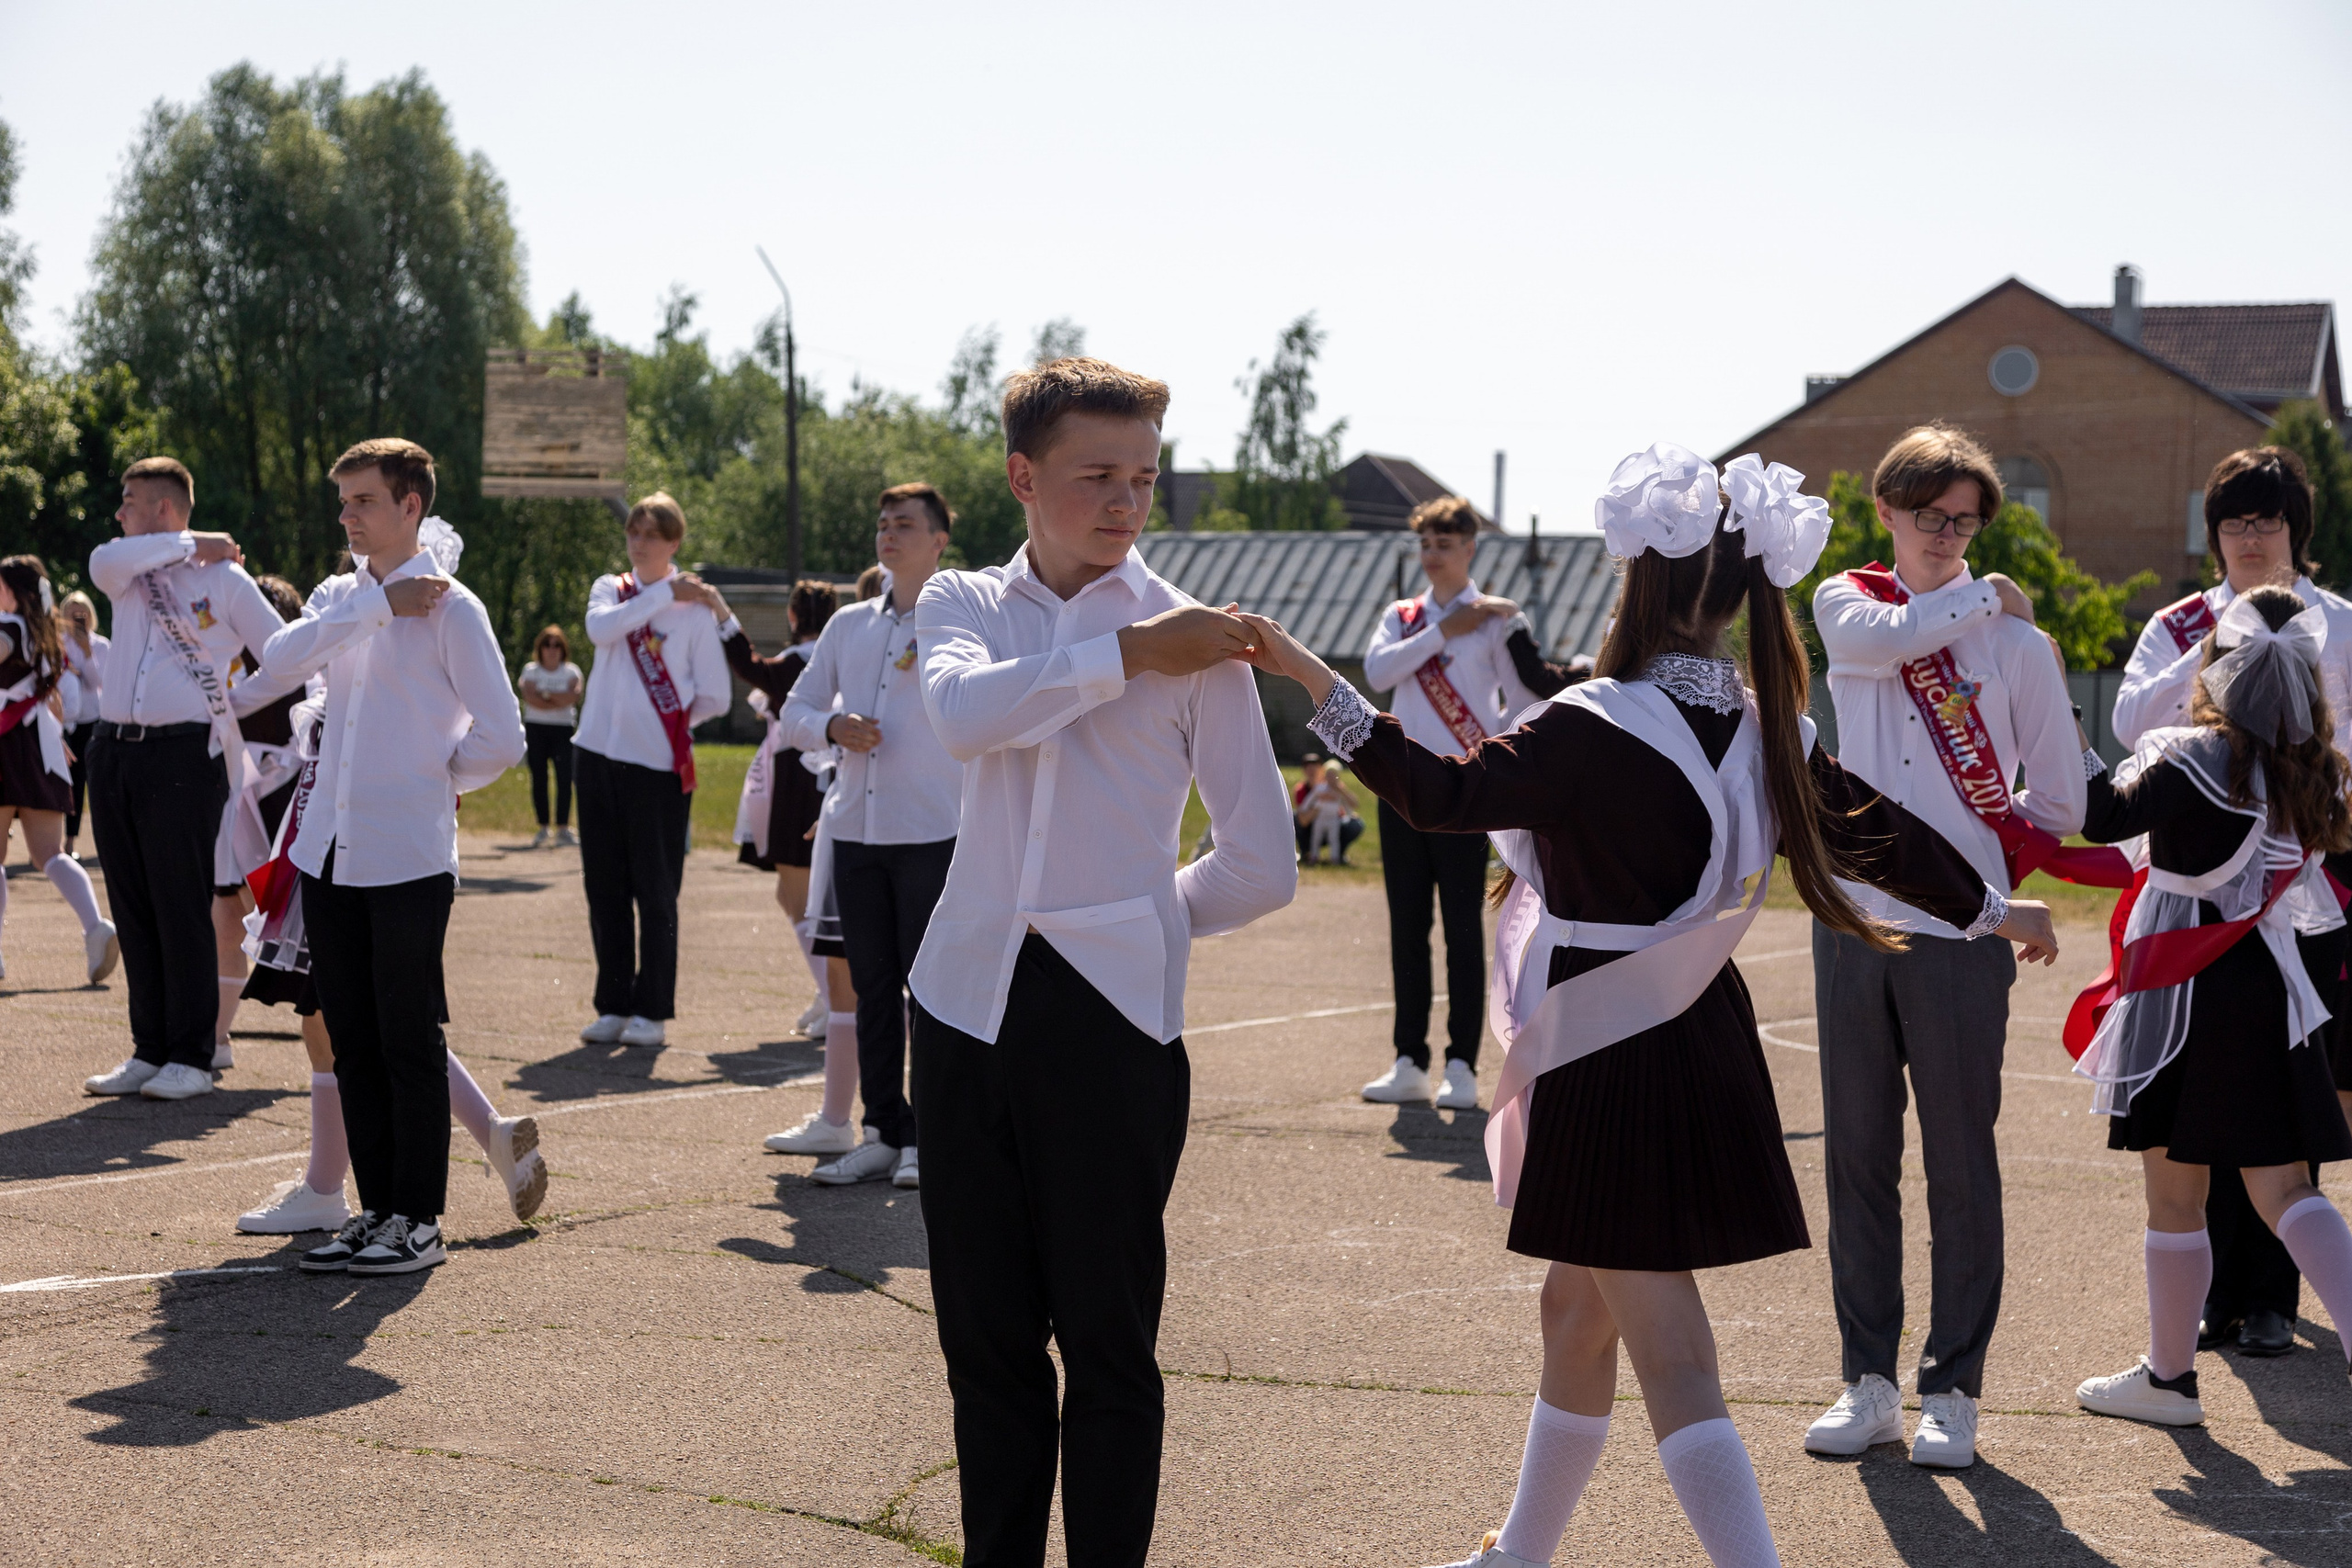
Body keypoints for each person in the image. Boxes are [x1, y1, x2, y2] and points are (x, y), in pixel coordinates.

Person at [1234, 441, 2054, 1568]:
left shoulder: (1594, 720)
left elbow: (1440, 794)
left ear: (1643, 579)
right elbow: (1879, 832)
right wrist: (1996, 909)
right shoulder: (1769, 726)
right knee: (1577, 1309)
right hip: (1692, 1029)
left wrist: (1306, 676)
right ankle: (1519, 1555)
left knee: (1668, 1347)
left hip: (1603, 1040)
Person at [910, 357, 1295, 1568]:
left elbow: (1262, 860)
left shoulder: (1208, 643)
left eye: (1143, 476)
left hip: (1112, 1022)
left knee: (1110, 1344)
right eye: (1097, 476)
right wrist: (1129, 654)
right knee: (984, 1343)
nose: (1127, 501)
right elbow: (968, 719)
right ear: (1026, 477)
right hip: (962, 1002)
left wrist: (1138, 918)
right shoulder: (962, 601)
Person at [1803, 424, 2089, 1468]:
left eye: (1965, 524)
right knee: (1857, 1159)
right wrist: (1987, 592)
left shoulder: (2019, 652)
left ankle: (1952, 1389)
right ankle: (1867, 1380)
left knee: (1961, 1164)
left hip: (1963, 931)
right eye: (1928, 517)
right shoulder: (1848, 603)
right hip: (1854, 921)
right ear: (1886, 511)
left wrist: (1981, 825)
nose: (1944, 535)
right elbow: (1879, 648)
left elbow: (2057, 799)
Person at [2071, 583, 2352, 1426]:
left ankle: (2168, 1380)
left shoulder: (2191, 756)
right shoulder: (2309, 773)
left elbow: (2098, 814)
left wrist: (2057, 706)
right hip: (2267, 988)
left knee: (2175, 1195)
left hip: (2187, 991)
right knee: (2286, 1188)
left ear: (2216, 670)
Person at [257, 437, 526, 1276]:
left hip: (407, 854)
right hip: (328, 852)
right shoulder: (344, 596)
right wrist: (376, 607)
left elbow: (505, 736)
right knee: (352, 1036)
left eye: (363, 500)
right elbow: (274, 661)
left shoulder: (456, 610)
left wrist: (431, 776)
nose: (348, 515)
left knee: (408, 1036)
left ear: (411, 504)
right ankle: (376, 1212)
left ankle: (420, 1221)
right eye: (343, 501)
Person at [2111, 445, 2352, 1359]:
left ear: (2297, 530)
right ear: (2212, 534)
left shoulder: (2334, 624)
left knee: (2284, 1107)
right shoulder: (2179, 625)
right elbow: (2132, 725)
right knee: (2188, 1110)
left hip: (2306, 894)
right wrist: (2216, 658)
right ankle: (2200, 1311)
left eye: (2268, 520)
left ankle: (2267, 1300)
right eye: (2234, 522)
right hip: (2190, 892)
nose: (2251, 538)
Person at [232, 680, 548, 1233]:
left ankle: (330, 1189)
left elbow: (497, 738)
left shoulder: (363, 664)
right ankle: (487, 1133)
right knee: (363, 1023)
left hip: (354, 864)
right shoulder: (343, 664)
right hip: (336, 860)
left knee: (353, 1024)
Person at [82, 457, 295, 1101]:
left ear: (164, 507)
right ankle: (150, 1048)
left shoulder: (225, 581)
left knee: (181, 905)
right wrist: (188, 543)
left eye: (129, 500)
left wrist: (232, 700)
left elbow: (285, 651)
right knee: (133, 903)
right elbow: (100, 559)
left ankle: (194, 1055)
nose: (119, 513)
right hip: (114, 749)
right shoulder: (126, 572)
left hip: (183, 755)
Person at [779, 485, 966, 1190]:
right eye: (883, 523)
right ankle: (882, 1129)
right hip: (856, 830)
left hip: (932, 831)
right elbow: (796, 708)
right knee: (871, 987)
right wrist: (830, 728)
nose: (889, 534)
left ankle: (929, 1137)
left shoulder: (964, 620)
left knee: (931, 989)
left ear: (939, 539)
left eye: (905, 524)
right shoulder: (849, 625)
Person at [1360, 495, 1539, 1111]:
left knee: (1463, 930)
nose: (1433, 555)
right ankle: (1409, 1058)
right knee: (1407, 928)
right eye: (1426, 544)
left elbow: (1519, 699)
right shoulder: (1404, 617)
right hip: (1404, 789)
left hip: (1465, 792)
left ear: (1470, 548)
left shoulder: (1495, 619)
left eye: (1445, 544)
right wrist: (1442, 632)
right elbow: (1378, 673)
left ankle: (1462, 1063)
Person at [570, 492, 730, 1049]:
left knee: (656, 891)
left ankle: (652, 1010)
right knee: (603, 886)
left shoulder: (694, 614)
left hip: (657, 767)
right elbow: (600, 630)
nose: (639, 543)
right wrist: (662, 592)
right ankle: (612, 1003)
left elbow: (715, 695)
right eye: (634, 532)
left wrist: (673, 727)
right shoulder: (610, 591)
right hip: (594, 756)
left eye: (652, 535)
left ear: (674, 543)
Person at [711, 576, 863, 1151]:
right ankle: (831, 993)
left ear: (798, 615)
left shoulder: (802, 659)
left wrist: (720, 612)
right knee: (797, 898)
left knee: (802, 898)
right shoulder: (831, 656)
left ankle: (833, 993)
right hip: (809, 779)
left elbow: (749, 666)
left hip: (802, 781)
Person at [207, 572, 310, 1073]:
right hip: (237, 792)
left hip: (287, 796)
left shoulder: (301, 663)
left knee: (295, 918)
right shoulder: (220, 659)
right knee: (225, 915)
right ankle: (216, 1037)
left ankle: (343, 1034)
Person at [0, 555, 118, 987]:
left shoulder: (9, 626)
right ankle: (97, 927)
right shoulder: (48, 633)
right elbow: (54, 699)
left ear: (13, 590)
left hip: (6, 743)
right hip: (40, 746)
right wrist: (56, 742)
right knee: (49, 854)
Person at [517, 625, 582, 848]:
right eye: (547, 644)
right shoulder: (531, 670)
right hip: (536, 728)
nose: (552, 649)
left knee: (565, 777)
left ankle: (563, 828)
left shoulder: (572, 671)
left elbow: (573, 697)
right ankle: (543, 826)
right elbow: (529, 697)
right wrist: (557, 698)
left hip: (563, 729)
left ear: (563, 648)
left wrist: (544, 695)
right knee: (539, 776)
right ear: (540, 648)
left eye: (556, 645)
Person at [54, 590, 107, 860]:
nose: (77, 617)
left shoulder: (101, 645)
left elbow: (97, 683)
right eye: (72, 612)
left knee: (90, 782)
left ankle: (79, 842)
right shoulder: (55, 643)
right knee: (63, 781)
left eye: (82, 612)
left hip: (92, 723)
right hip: (62, 722)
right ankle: (57, 840)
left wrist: (86, 652)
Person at [1303, 760, 1360, 866]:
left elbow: (1346, 804)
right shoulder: (1320, 788)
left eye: (1334, 775)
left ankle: (1335, 858)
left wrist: (1350, 813)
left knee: (1334, 839)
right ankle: (1314, 856)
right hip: (1320, 818)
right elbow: (1310, 799)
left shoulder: (1339, 791)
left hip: (1333, 819)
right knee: (1316, 838)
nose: (1331, 778)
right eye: (1329, 775)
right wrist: (1304, 808)